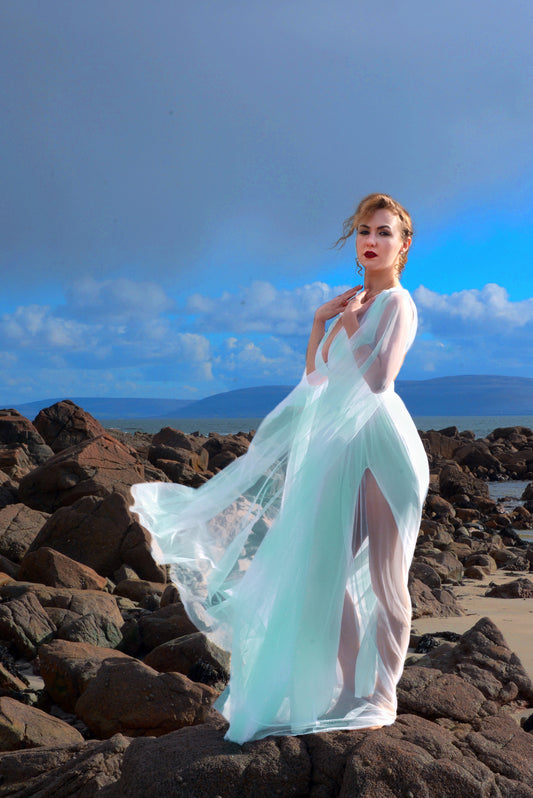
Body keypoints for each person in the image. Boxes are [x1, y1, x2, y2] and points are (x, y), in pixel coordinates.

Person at [130, 192, 429, 744]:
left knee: (387, 578)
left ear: (403, 244)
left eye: (384, 232)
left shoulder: (397, 304)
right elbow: (317, 379)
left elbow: (380, 379)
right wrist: (320, 323)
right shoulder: (354, 303)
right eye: (365, 230)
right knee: (322, 569)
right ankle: (348, 689)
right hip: (344, 445)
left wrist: (354, 322)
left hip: (383, 445)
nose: (371, 240)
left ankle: (381, 695)